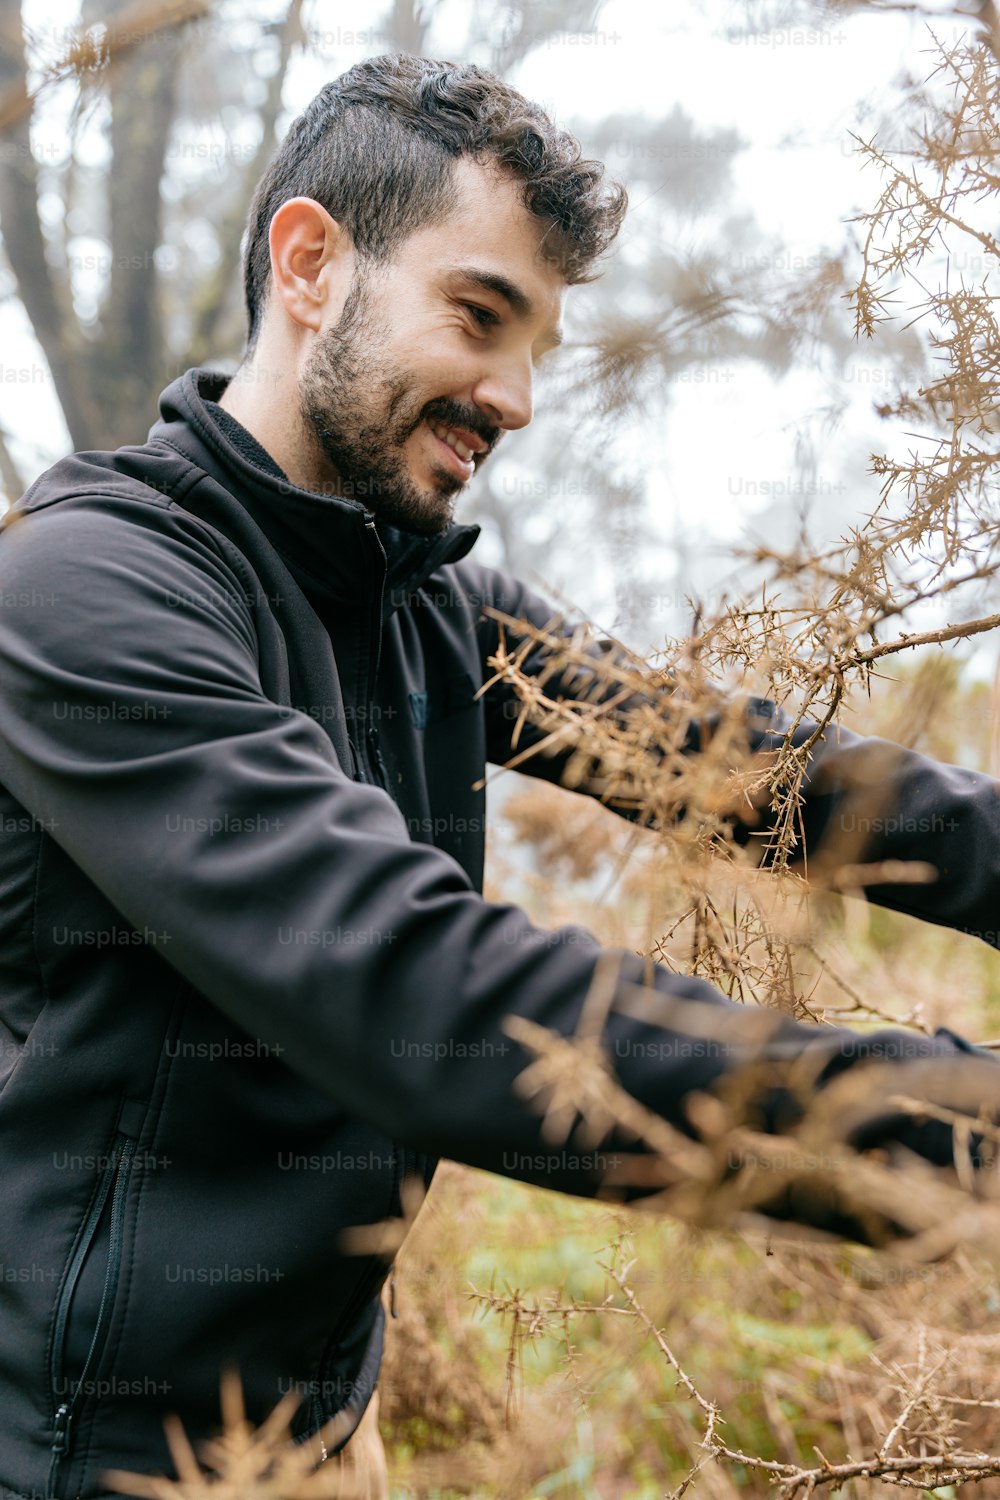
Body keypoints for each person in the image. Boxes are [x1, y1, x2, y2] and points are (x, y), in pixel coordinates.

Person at [0, 53, 997, 1500]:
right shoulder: (85, 594)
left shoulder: (430, 602)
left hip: (328, 1426)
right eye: (479, 317)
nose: (517, 397)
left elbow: (754, 771)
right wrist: (954, 1133)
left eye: (538, 345)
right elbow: (431, 1000)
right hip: (88, 1459)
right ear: (310, 265)